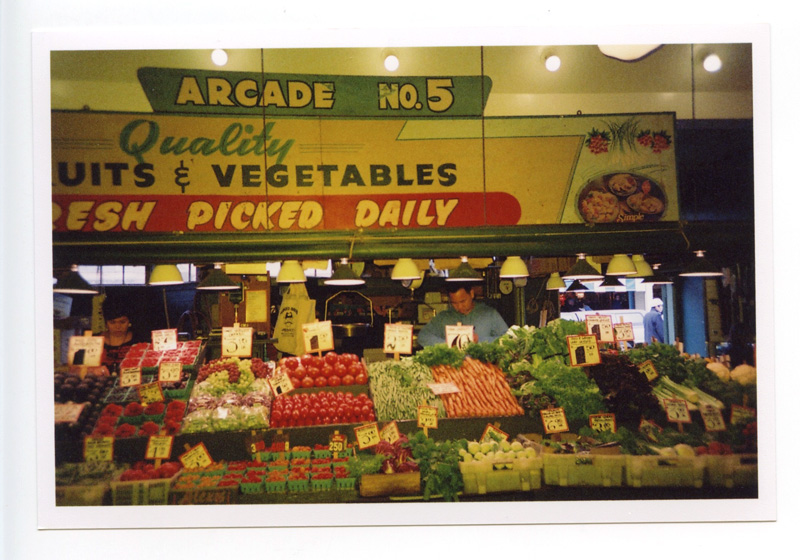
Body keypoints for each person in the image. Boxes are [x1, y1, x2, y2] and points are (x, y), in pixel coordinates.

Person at [418, 284, 508, 347]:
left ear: (472, 294)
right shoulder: (443, 317)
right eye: (454, 303)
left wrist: (480, 340)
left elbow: (508, 339)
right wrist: (446, 344)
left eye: (463, 301)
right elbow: (423, 336)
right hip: (452, 370)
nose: (459, 306)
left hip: (483, 369)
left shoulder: (489, 314)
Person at [100, 296, 141, 373]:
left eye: (122, 322)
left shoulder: (139, 340)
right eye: (112, 322)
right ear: (106, 322)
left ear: (129, 321)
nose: (118, 327)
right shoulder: (95, 340)